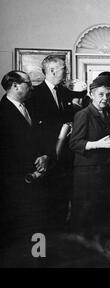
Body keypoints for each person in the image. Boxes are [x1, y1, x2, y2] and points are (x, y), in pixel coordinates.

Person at [27, 55, 86, 231]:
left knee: (64, 197)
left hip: (67, 155)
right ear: (52, 70)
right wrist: (45, 153)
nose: (66, 72)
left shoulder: (65, 93)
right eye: (64, 69)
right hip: (47, 156)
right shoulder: (34, 95)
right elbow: (34, 131)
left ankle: (61, 233)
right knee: (47, 201)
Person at [0, 71, 49, 261]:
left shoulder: (29, 108)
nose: (32, 86)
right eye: (28, 83)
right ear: (15, 86)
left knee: (38, 221)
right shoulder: (3, 112)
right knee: (19, 225)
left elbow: (40, 137)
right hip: (17, 182)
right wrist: (28, 174)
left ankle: (39, 257)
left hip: (38, 177)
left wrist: (45, 156)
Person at [69, 76, 110, 250]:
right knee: (85, 208)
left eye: (108, 95)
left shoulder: (106, 114)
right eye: (101, 94)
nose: (105, 98)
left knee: (99, 205)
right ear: (91, 94)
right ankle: (81, 245)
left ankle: (95, 240)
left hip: (102, 166)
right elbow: (74, 143)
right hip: (87, 170)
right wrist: (97, 144)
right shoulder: (83, 114)